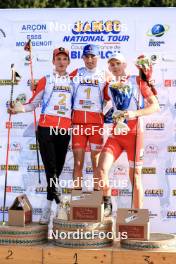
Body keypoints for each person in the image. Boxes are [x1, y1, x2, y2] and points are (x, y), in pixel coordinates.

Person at [8, 47, 73, 224]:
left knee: (57, 170)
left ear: (68, 62)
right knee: (50, 167)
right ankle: (59, 204)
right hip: (46, 128)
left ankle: (47, 204)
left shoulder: (74, 81)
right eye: (58, 59)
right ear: (53, 62)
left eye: (64, 59)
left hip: (64, 129)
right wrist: (18, 109)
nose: (61, 62)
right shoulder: (47, 79)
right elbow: (33, 103)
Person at [96, 53, 160, 216]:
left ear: (125, 65)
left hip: (135, 134)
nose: (115, 67)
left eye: (118, 63)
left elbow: (155, 107)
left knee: (136, 177)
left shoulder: (137, 81)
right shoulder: (109, 85)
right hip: (117, 133)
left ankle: (137, 217)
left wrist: (133, 113)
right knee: (101, 169)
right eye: (112, 64)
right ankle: (107, 202)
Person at [70, 44, 110, 208]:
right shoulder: (76, 73)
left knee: (96, 163)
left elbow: (114, 93)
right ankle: (76, 200)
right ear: (83, 58)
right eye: (87, 56)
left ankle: (97, 200)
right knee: (78, 163)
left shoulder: (105, 74)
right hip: (78, 124)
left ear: (98, 57)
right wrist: (37, 85)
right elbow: (59, 87)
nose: (90, 59)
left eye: (93, 56)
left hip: (96, 124)